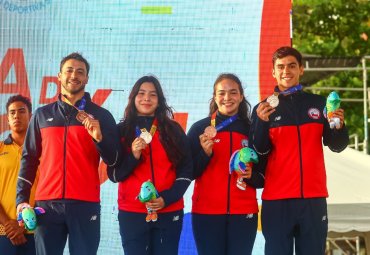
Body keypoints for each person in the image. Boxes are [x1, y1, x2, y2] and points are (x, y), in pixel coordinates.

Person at [16, 52, 120, 255]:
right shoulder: (41, 115)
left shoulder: (101, 116)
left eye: (80, 72)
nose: (74, 75)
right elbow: (28, 159)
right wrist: (21, 199)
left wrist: (100, 139)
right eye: (69, 70)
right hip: (47, 206)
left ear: (87, 79)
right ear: (59, 76)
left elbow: (114, 160)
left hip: (85, 205)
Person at [249, 46, 349, 255]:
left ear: (301, 69)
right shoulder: (263, 108)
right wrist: (261, 123)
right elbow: (258, 152)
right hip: (277, 200)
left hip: (313, 198)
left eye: (292, 66)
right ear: (273, 72)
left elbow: (337, 145)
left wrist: (339, 126)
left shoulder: (319, 104)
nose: (286, 71)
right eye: (281, 67)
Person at [107, 75, 193, 255]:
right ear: (133, 98)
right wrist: (134, 155)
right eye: (142, 93)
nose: (146, 98)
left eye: (153, 95)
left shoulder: (172, 129)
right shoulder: (121, 130)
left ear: (159, 100)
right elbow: (114, 175)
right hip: (132, 212)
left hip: (169, 209)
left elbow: (187, 169)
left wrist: (167, 198)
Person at [187, 73, 265, 255]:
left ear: (241, 96)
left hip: (243, 212)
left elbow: (263, 177)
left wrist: (250, 176)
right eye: (221, 93)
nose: (227, 98)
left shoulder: (252, 129)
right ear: (215, 97)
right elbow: (188, 172)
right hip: (206, 212)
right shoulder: (200, 129)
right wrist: (205, 154)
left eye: (233, 92)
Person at [0, 95, 37, 255]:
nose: (16, 116)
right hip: (5, 231)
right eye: (12, 113)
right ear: (7, 119)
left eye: (22, 111)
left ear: (31, 116)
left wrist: (23, 225)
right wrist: (10, 224)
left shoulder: (44, 150)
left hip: (37, 230)